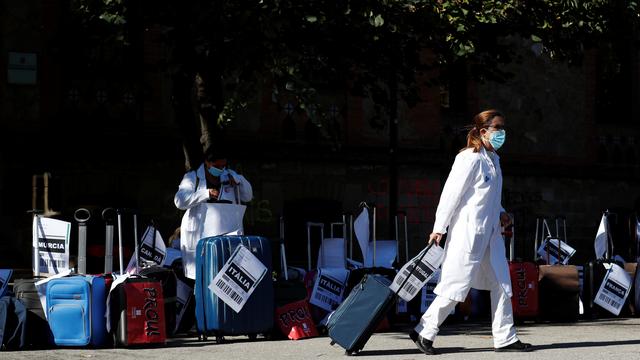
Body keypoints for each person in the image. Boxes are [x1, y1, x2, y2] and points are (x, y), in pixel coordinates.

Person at [410, 109, 532, 354]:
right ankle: (424, 330)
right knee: (456, 286)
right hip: (468, 234)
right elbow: (451, 195)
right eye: (498, 128)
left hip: (490, 234)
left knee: (502, 284)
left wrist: (501, 213)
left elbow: (488, 198)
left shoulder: (493, 160)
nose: (502, 133)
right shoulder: (469, 158)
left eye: (503, 128)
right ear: (483, 131)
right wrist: (438, 229)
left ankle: (505, 338)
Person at [174, 147, 253, 279]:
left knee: (227, 277)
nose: (221, 169)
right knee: (203, 275)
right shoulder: (193, 177)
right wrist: (205, 194)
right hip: (201, 235)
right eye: (217, 166)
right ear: (207, 162)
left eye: (223, 166)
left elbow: (248, 196)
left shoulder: (229, 175)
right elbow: (179, 201)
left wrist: (239, 181)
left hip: (227, 234)